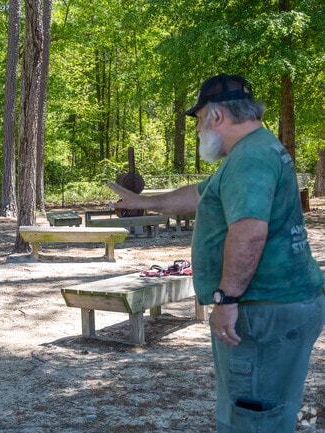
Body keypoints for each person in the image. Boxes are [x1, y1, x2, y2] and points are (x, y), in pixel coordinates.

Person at [109, 73, 325, 432]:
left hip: (262, 312)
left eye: (197, 121)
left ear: (217, 116)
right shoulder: (254, 149)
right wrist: (141, 201)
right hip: (277, 305)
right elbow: (198, 195)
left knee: (253, 418)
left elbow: (250, 233)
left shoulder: (249, 159)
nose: (196, 131)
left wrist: (226, 299)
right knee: (262, 411)